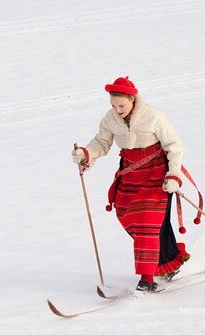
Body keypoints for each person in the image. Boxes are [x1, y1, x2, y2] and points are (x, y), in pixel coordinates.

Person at [72, 76, 190, 292]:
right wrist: (86, 154)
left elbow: (174, 145)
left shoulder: (153, 116)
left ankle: (147, 279)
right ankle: (166, 260)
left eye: (121, 105)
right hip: (130, 175)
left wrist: (174, 175)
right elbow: (102, 142)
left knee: (147, 222)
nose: (117, 110)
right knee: (128, 217)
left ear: (133, 99)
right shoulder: (110, 119)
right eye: (113, 106)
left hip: (156, 176)